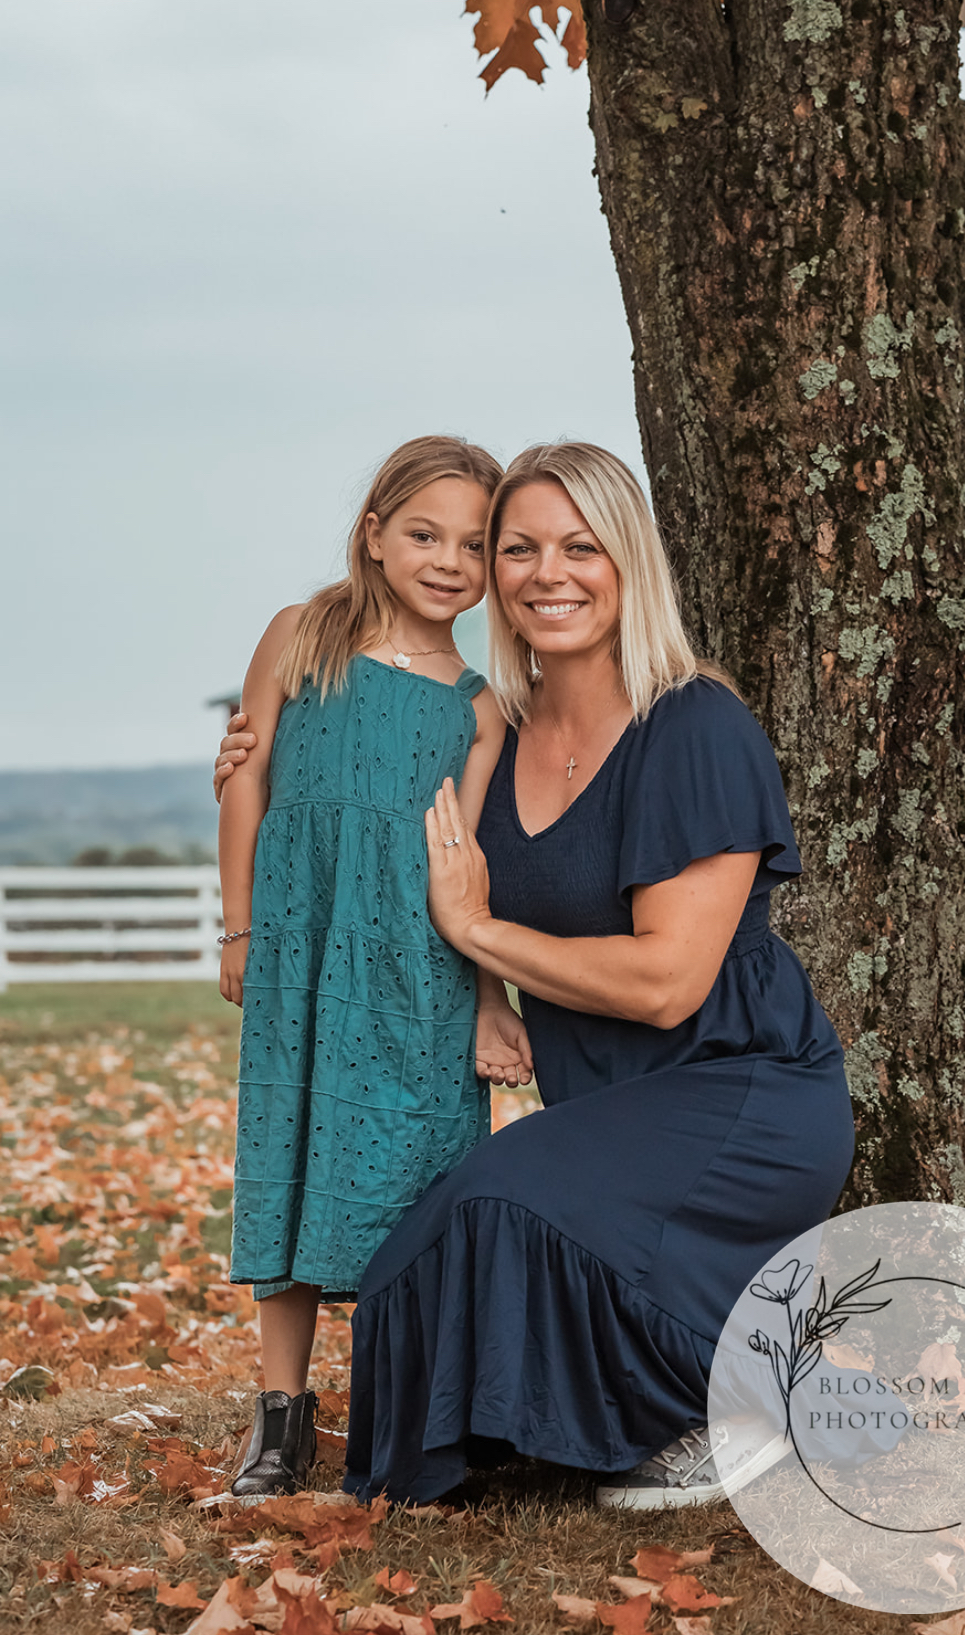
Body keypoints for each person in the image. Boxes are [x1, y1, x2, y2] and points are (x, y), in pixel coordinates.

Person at [218, 442, 855, 1512]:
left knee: (495, 1206)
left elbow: (665, 985)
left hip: (738, 1095)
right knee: (407, 1262)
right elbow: (361, 805)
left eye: (579, 547)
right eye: (521, 549)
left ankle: (759, 1404)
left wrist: (482, 942)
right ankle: (587, 1423)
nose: (545, 572)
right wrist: (251, 765)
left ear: (628, 563)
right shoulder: (503, 730)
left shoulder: (694, 724)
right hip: (601, 1108)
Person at [214, 434, 533, 1504]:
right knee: (297, 1156)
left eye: (475, 544)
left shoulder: (478, 705)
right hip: (303, 945)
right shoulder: (301, 638)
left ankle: (408, 1414)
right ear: (374, 537)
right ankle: (278, 1421)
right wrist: (242, 928)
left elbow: (473, 863)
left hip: (417, 965)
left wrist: (490, 1000)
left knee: (409, 1173)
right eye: (424, 535)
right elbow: (244, 783)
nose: (449, 561)